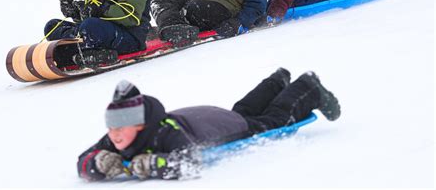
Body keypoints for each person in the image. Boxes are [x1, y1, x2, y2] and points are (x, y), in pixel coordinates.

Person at [77, 68, 341, 181]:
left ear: (141, 124)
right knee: (243, 111)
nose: (115, 133)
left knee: (269, 122)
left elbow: (190, 161)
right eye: (111, 126)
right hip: (208, 116)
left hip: (216, 125)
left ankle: (308, 87)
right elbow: (83, 160)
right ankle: (276, 82)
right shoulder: (116, 136)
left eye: (122, 125)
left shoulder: (163, 133)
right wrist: (96, 162)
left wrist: (153, 164)